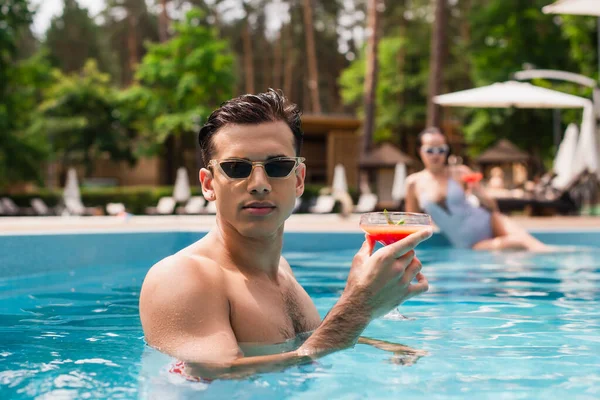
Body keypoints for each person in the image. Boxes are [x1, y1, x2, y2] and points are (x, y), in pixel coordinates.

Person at [139, 90, 432, 381]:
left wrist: (379, 338)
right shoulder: (182, 276)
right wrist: (358, 308)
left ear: (299, 179)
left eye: (278, 166)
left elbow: (304, 344)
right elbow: (215, 376)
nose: (259, 184)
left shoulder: (282, 271)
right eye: (236, 168)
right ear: (208, 184)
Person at [405, 127, 547, 251]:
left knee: (535, 246)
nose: (436, 154)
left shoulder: (460, 172)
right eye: (430, 150)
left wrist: (477, 193)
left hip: (490, 220)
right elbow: (410, 225)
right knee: (518, 245)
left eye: (441, 149)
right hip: (470, 244)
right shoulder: (413, 183)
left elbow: (492, 206)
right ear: (420, 151)